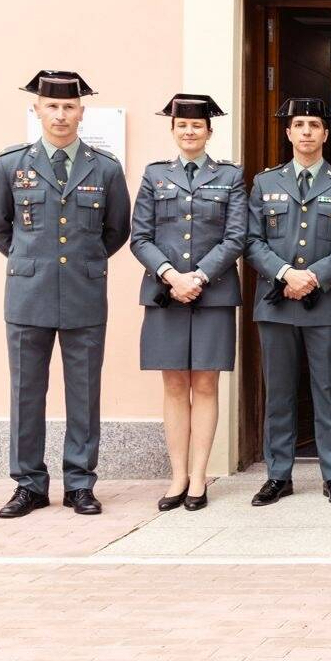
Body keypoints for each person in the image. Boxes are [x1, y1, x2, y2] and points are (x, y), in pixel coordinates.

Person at [0, 70, 131, 518]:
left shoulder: (104, 168)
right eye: (52, 106)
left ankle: (80, 484)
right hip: (29, 294)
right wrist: (34, 261)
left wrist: (81, 263)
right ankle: (28, 484)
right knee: (26, 392)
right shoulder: (11, 164)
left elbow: (116, 230)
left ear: (81, 113)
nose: (61, 114)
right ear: (37, 110)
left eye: (69, 107)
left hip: (85, 295)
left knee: (84, 393)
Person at [245, 98, 331, 506]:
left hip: (327, 304)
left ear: (325, 134)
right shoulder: (266, 182)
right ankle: (278, 475)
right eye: (300, 124)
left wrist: (313, 277)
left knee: (330, 393)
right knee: (278, 394)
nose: (307, 132)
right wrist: (286, 274)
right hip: (276, 303)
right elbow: (251, 240)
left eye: (314, 124)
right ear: (288, 133)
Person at [130, 94, 246, 512]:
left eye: (197, 126)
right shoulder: (155, 174)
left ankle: (200, 476)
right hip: (165, 294)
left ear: (209, 131)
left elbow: (235, 237)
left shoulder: (230, 176)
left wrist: (197, 277)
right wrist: (170, 276)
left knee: (206, 382)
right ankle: (177, 474)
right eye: (182, 126)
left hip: (212, 294)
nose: (190, 131)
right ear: (174, 131)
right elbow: (139, 236)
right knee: (175, 383)